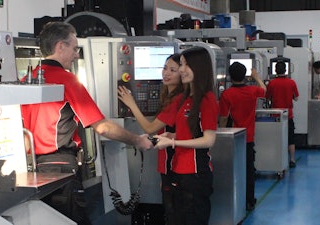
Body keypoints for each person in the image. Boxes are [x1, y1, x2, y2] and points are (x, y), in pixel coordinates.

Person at [20, 22, 153, 225]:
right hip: (61, 170)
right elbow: (103, 127)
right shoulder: (68, 80)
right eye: (74, 49)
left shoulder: (24, 81)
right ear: (60, 46)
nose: (76, 55)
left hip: (30, 170)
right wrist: (137, 141)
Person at [153, 46, 219, 225]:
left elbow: (208, 139)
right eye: (181, 64)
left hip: (195, 174)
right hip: (179, 171)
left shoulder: (206, 99)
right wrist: (171, 135)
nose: (181, 69)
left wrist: (173, 143)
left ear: (199, 67)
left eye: (185, 65)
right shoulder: (187, 98)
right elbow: (188, 133)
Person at [117, 53, 183, 225]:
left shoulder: (176, 100)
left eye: (172, 70)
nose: (166, 73)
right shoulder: (169, 97)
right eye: (165, 68)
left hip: (173, 163)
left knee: (173, 210)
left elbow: (149, 127)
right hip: (169, 162)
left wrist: (131, 104)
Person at [218, 62, 266, 211]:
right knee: (249, 170)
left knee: (233, 169)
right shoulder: (252, 91)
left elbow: (224, 117)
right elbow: (264, 90)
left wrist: (219, 132)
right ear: (245, 75)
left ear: (230, 76)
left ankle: (233, 200)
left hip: (233, 138)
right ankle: (249, 200)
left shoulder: (227, 94)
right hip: (248, 137)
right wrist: (257, 77)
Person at [266, 61, 299, 168]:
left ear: (275, 70)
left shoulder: (272, 83)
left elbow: (267, 98)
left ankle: (276, 159)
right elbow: (296, 98)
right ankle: (292, 160)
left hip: (275, 115)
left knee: (276, 138)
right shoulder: (291, 83)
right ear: (286, 70)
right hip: (288, 115)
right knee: (291, 138)